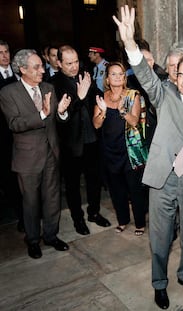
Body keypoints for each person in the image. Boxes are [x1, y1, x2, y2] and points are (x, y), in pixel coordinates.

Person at [113, 6, 183, 310]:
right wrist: (130, 43)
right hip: (162, 179)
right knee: (160, 239)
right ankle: (159, 284)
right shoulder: (164, 95)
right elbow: (146, 76)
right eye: (181, 74)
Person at [0, 49, 71, 259]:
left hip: (51, 153)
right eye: (37, 67)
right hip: (27, 158)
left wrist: (61, 112)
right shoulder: (8, 93)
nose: (42, 70)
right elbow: (15, 124)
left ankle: (51, 235)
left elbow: (59, 120)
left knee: (52, 198)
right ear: (22, 69)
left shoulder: (48, 87)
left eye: (41, 65)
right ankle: (32, 240)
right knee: (30, 202)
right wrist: (42, 114)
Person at [52, 45, 111, 236]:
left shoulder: (85, 75)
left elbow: (95, 95)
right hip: (71, 144)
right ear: (59, 63)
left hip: (92, 139)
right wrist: (80, 97)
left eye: (76, 61)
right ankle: (78, 219)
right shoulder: (53, 84)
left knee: (94, 180)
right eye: (69, 63)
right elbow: (62, 117)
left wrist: (100, 99)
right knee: (72, 185)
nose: (74, 66)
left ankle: (94, 212)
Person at [93, 62, 148, 236]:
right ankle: (123, 220)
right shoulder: (102, 97)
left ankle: (140, 223)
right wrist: (102, 112)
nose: (117, 77)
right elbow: (96, 124)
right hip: (109, 150)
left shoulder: (133, 95)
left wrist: (124, 111)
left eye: (121, 74)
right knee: (116, 189)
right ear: (107, 78)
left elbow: (134, 121)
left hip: (130, 151)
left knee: (135, 188)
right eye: (113, 74)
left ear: (125, 78)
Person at [0, 40, 23, 232]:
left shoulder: (19, 76)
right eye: (0, 53)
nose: (5, 55)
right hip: (4, 138)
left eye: (7, 51)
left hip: (24, 137)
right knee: (11, 179)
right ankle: (21, 215)